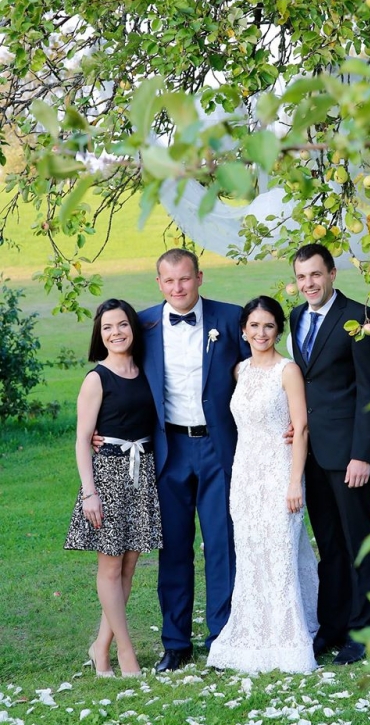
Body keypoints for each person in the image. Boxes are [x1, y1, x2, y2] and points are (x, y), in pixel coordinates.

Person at [137, 248, 250, 672]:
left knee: (222, 544)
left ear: (199, 277)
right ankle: (176, 641)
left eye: (184, 279)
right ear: (159, 283)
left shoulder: (230, 318)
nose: (178, 288)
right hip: (169, 450)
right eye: (169, 281)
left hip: (219, 447)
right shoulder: (144, 324)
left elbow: (260, 370)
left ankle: (222, 636)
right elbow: (119, 375)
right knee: (174, 548)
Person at [207, 296, 318, 674]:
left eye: (269, 326)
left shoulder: (287, 371)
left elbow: (300, 427)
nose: (261, 333)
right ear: (243, 330)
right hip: (245, 474)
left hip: (279, 471)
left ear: (278, 330)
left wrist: (294, 483)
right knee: (252, 551)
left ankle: (288, 637)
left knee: (282, 550)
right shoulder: (239, 370)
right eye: (254, 326)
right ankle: (253, 632)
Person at [290, 243, 370, 665]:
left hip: (348, 454)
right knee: (328, 543)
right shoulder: (294, 317)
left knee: (357, 542)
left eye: (316, 274)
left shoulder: (361, 319)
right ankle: (332, 625)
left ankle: (364, 630)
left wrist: (362, 454)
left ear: (332, 274)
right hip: (310, 452)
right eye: (301, 277)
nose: (308, 283)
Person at [65, 298, 162, 678]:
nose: (116, 333)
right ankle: (125, 652)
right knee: (109, 567)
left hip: (142, 475)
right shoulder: (97, 378)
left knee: (130, 564)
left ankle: (100, 645)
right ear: (99, 334)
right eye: (107, 327)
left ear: (133, 329)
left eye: (122, 325)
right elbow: (82, 439)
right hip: (108, 478)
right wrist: (90, 492)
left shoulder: (145, 370)